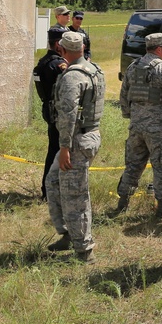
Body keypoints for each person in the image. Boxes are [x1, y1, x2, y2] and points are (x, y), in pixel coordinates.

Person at [45, 31, 105, 264]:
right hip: (88, 136)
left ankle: (84, 250)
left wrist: (64, 148)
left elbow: (68, 116)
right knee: (53, 181)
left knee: (75, 195)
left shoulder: (72, 76)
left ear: (61, 49)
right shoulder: (94, 69)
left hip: (76, 141)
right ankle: (68, 233)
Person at [111, 33, 162, 218]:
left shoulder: (133, 67)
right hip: (158, 127)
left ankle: (122, 203)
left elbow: (124, 95)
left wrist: (132, 115)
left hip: (136, 126)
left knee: (133, 165)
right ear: (158, 49)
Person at [33, 26, 68, 199]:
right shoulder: (58, 65)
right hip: (58, 112)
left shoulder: (43, 62)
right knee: (57, 150)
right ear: (57, 44)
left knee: (53, 149)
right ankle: (50, 191)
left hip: (48, 109)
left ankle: (47, 190)